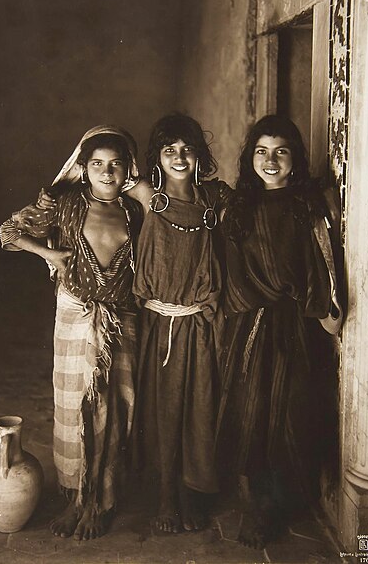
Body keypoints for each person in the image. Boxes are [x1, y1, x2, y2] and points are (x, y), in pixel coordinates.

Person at [0, 126, 143, 540]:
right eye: (97, 163)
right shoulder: (64, 203)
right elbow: (8, 233)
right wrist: (48, 253)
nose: (106, 171)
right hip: (76, 316)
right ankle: (77, 500)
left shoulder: (136, 211)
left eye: (116, 164)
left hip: (121, 319)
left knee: (116, 409)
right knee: (75, 407)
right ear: (83, 167)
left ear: (127, 168)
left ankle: (101, 501)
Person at [217, 115, 343, 549]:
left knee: (291, 410)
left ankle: (287, 498)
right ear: (251, 157)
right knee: (251, 411)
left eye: (281, 152)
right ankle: (258, 504)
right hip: (251, 324)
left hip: (296, 325)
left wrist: (325, 309)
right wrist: (243, 309)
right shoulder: (239, 208)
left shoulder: (309, 204)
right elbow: (231, 271)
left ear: (296, 158)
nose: (271, 162)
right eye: (262, 152)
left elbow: (323, 261)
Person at [125, 113, 232, 534]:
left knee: (200, 408)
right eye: (170, 150)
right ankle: (167, 495)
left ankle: (191, 493)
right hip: (158, 326)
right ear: (157, 158)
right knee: (163, 411)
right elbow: (87, 162)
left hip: (201, 325)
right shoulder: (148, 196)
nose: (180, 157)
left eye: (188, 149)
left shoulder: (213, 201)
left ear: (200, 155)